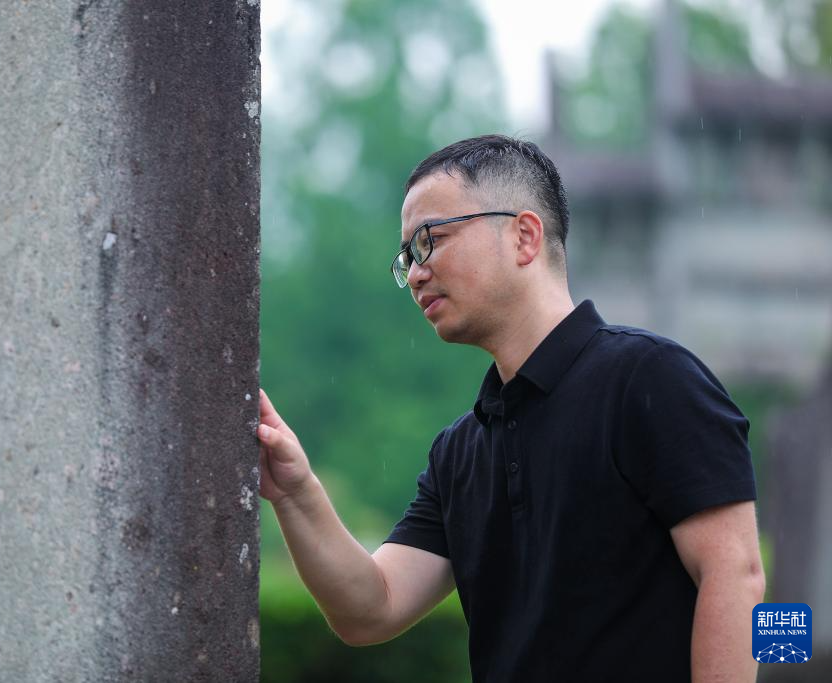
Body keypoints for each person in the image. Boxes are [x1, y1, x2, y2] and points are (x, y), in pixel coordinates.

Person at [257, 134, 764, 682]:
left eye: (430, 240)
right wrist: (294, 491)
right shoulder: (461, 451)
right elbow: (371, 609)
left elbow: (737, 574)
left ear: (524, 236)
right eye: (408, 257)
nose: (417, 273)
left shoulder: (651, 380)